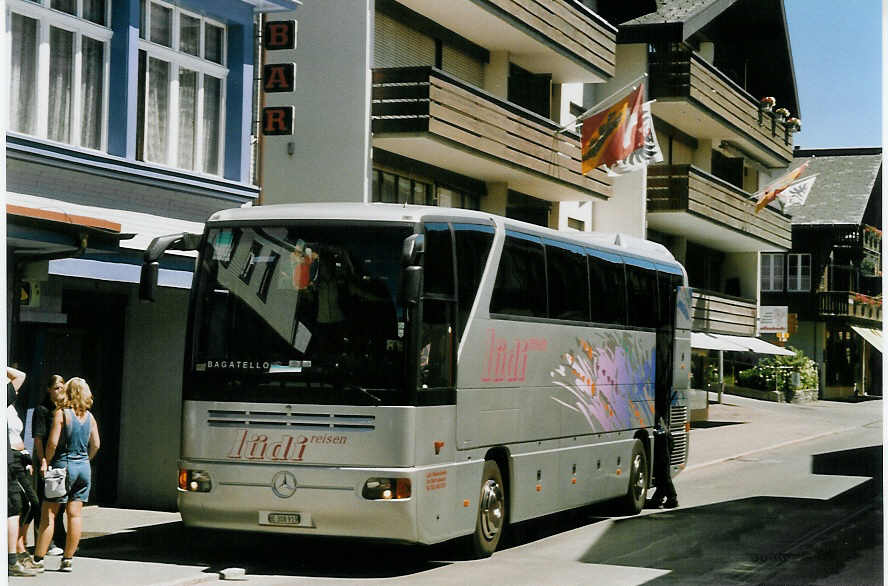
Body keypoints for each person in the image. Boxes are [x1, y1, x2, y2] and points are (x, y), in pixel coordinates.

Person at [33, 377, 100, 573]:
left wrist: (46, 460)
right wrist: (86, 459)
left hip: (64, 466)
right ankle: (68, 559)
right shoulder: (90, 417)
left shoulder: (62, 414)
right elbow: (96, 444)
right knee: (75, 515)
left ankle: (38, 558)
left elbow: (52, 443)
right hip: (83, 468)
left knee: (49, 514)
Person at [7, 366, 39, 577]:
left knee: (28, 503)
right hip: (10, 458)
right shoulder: (4, 400)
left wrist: (26, 453)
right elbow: (20, 376)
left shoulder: (10, 407)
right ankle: (15, 553)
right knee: (19, 504)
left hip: (19, 457)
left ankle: (19, 547)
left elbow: (20, 377)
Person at [31, 375, 67, 556]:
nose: (60, 391)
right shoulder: (42, 410)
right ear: (49, 389)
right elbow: (38, 438)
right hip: (46, 458)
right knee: (44, 501)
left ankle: (59, 538)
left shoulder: (63, 410)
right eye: (57, 388)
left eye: (62, 387)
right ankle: (45, 542)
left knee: (58, 502)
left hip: (60, 458)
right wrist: (43, 459)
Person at [649, 414, 678, 509]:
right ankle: (660, 498)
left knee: (663, 470)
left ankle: (671, 498)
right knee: (661, 471)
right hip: (663, 435)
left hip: (662, 437)